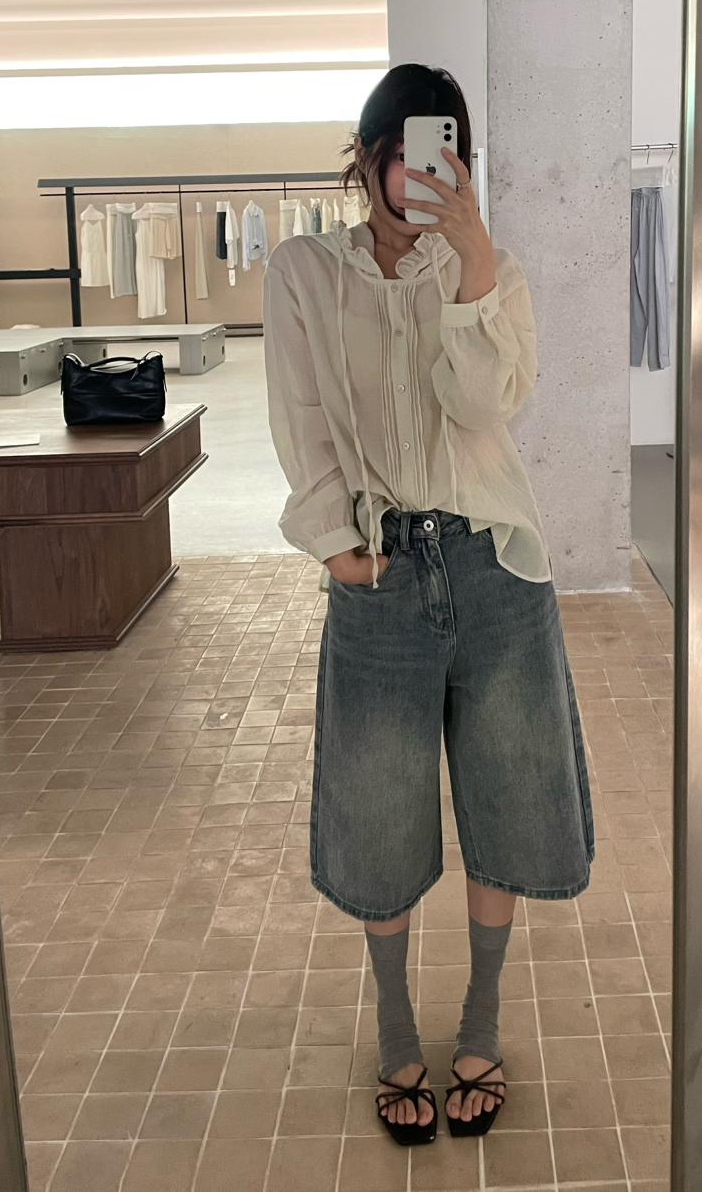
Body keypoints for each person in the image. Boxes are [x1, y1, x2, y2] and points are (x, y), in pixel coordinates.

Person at [263, 63, 596, 1145]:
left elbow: (482, 405)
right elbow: (301, 418)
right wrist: (338, 551)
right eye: (404, 154)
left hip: (494, 565)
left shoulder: (488, 273)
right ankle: (396, 1029)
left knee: (508, 796)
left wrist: (475, 266)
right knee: (378, 812)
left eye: (448, 156)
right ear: (367, 159)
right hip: (381, 568)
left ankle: (481, 1020)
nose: (423, 176)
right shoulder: (305, 273)